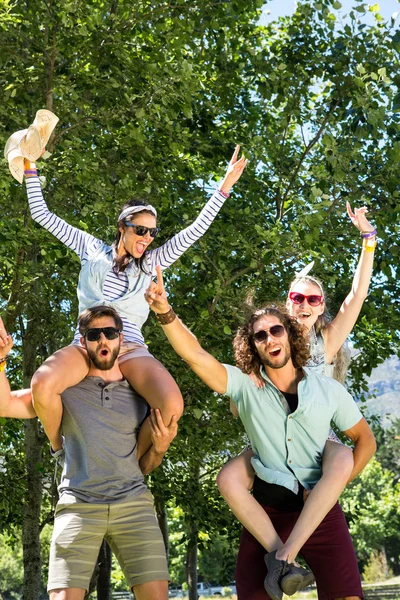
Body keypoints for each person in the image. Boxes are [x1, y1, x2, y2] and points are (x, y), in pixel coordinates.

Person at [144, 268, 376, 600]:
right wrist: (165, 312)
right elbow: (194, 356)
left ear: (290, 334)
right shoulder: (244, 386)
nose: (269, 338)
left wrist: (337, 483)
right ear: (252, 346)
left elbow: (366, 441)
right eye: (260, 335)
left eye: (276, 330)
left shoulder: (327, 390)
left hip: (320, 509)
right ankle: (282, 557)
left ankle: (283, 560)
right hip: (267, 511)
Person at [21, 145, 247, 456]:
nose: (147, 238)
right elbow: (41, 215)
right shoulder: (90, 248)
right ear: (121, 227)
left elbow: (193, 233)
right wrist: (29, 163)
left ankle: (134, 462)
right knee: (42, 385)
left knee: (171, 406)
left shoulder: (152, 261)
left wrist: (223, 188)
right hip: (86, 343)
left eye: (152, 233)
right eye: (140, 230)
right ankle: (60, 449)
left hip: (129, 347)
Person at [214, 202, 377, 592]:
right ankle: (281, 557)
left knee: (340, 460)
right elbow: (237, 396)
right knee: (231, 477)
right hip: (274, 440)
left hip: (318, 437)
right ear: (287, 305)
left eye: (313, 300)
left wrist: (367, 241)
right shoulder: (267, 343)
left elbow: (356, 295)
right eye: (297, 297)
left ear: (320, 309)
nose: (304, 304)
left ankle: (287, 555)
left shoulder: (327, 340)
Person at [0, 307, 177, 600]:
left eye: (110, 333)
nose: (103, 340)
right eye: (94, 335)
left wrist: (159, 449)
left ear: (121, 339)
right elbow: (5, 405)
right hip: (79, 504)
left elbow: (145, 466)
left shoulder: (142, 393)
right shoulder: (63, 390)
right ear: (83, 342)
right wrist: (1, 359)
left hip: (133, 503)